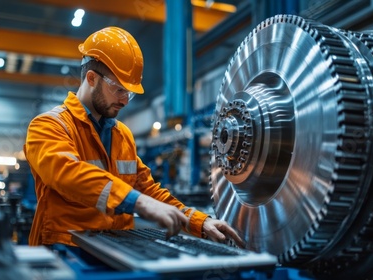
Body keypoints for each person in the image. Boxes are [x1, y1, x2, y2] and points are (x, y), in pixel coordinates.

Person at [24, 26, 244, 250]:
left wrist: (198, 221)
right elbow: (68, 174)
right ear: (91, 78)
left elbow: (147, 189)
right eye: (119, 89)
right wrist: (138, 202)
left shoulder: (122, 134)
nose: (125, 100)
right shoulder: (49, 125)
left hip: (117, 251)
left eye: (129, 93)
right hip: (67, 253)